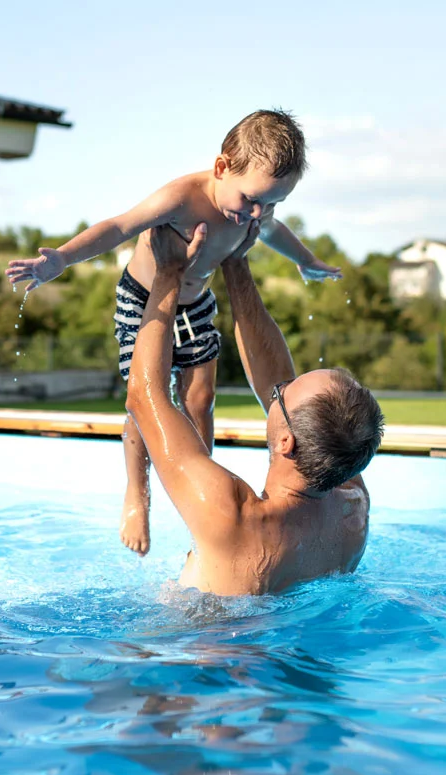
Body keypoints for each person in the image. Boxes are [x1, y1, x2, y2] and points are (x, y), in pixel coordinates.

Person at [5, 110, 341, 557]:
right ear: (221, 167)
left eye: (273, 203)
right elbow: (119, 227)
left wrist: (307, 261)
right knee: (147, 400)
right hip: (144, 301)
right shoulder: (182, 198)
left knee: (201, 398)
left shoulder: (250, 210)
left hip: (197, 303)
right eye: (251, 199)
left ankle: (202, 488)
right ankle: (136, 495)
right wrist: (62, 260)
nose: (257, 215)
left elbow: (275, 233)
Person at [124, 220, 384, 595]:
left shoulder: (233, 517)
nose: (278, 386)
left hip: (202, 643)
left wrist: (169, 272)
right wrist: (235, 262)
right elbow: (274, 375)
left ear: (286, 444)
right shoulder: (352, 505)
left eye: (284, 392)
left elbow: (144, 397)